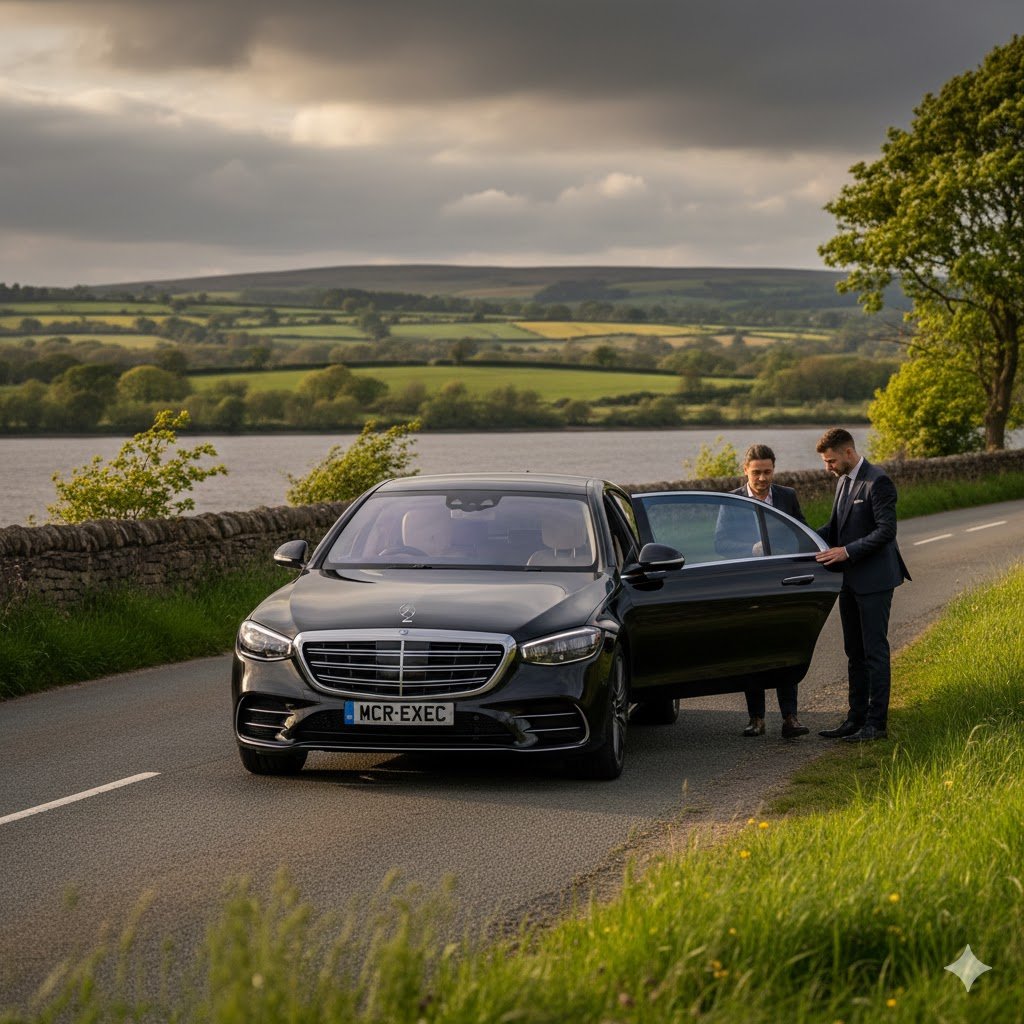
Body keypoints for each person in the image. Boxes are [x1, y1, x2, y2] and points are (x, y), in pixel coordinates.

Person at [814, 427, 911, 742]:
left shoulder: (878, 481)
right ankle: (854, 719)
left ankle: (876, 725)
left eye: (830, 461)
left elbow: (886, 531)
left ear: (847, 452)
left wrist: (846, 551)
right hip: (849, 582)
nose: (827, 467)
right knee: (853, 652)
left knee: (875, 652)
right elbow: (834, 527)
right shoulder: (843, 482)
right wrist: (799, 537)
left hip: (876, 580)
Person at [728, 443, 811, 739]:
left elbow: (802, 533)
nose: (762, 478)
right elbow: (719, 545)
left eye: (768, 472)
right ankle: (756, 719)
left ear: (774, 469)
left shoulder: (787, 496)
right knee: (754, 650)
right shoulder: (731, 501)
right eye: (757, 472)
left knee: (785, 649)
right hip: (750, 589)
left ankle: (790, 717)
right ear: (745, 470)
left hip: (783, 585)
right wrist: (748, 549)